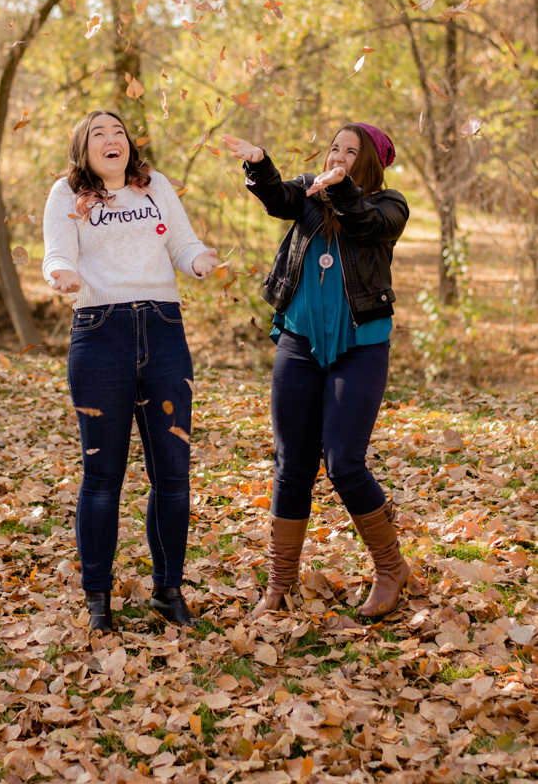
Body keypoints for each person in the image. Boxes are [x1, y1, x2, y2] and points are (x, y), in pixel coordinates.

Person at [223, 124, 410, 618]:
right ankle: (279, 585)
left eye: (351, 152)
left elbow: (365, 223)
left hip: (360, 347)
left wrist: (341, 186)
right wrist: (259, 163)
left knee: (344, 461)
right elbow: (278, 198)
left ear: (370, 163)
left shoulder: (390, 205)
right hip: (300, 343)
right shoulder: (309, 193)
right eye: (334, 148)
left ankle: (391, 568)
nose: (338, 156)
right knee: (292, 465)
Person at [43, 110, 218, 630]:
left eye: (117, 131)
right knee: (102, 477)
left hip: (163, 331)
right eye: (98, 133)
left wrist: (198, 260)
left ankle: (168, 592)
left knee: (173, 473)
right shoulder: (66, 194)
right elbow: (56, 254)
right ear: (83, 149)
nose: (111, 138)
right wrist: (62, 274)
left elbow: (182, 243)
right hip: (100, 335)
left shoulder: (154, 185)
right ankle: (98, 599)